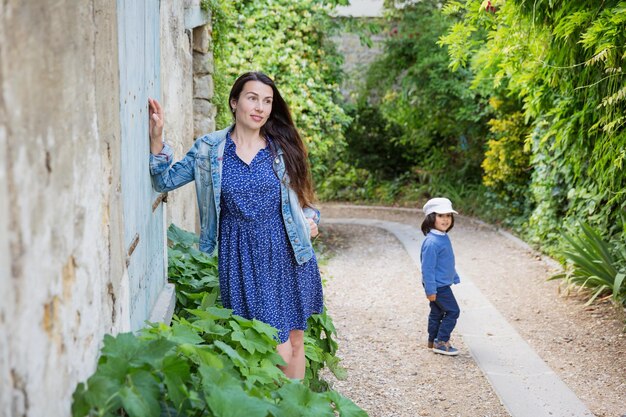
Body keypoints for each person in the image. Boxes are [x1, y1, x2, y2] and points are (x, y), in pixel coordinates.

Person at [147, 71, 324, 379]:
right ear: (234, 103)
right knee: (273, 347)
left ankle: (294, 408)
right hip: (242, 257)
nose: (260, 108)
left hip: (288, 254)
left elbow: (304, 201)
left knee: (295, 341)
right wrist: (157, 139)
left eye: (267, 101)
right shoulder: (209, 150)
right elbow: (165, 179)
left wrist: (311, 220)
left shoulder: (280, 147)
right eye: (252, 98)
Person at [420, 197, 461, 356]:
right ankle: (441, 341)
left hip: (442, 283)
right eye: (440, 216)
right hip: (437, 286)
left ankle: (432, 341)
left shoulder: (442, 236)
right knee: (453, 311)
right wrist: (430, 291)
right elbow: (427, 269)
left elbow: (446, 261)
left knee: (437, 313)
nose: (445, 219)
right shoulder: (432, 242)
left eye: (448, 216)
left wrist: (454, 276)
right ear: (431, 218)